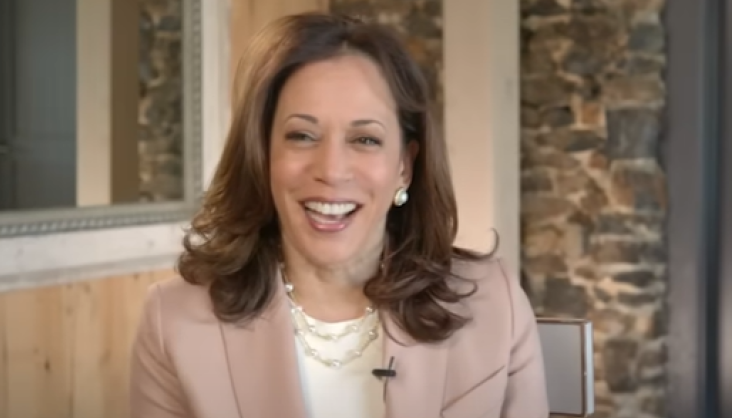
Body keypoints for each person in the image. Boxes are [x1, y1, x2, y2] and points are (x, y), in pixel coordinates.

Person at [129, 11, 548, 418]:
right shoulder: (173, 322)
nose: (331, 170)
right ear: (262, 155)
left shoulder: (494, 304)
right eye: (302, 136)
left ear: (404, 166)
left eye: (365, 139)